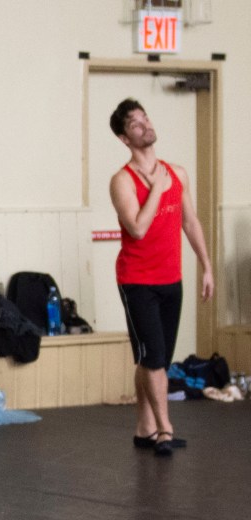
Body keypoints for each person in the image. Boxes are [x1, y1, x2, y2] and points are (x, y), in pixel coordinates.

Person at [108, 98, 214, 457]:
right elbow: (137, 228)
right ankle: (165, 430)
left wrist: (206, 264)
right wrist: (156, 188)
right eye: (135, 124)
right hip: (137, 280)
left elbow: (189, 221)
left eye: (145, 118)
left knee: (156, 359)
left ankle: (144, 429)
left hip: (171, 279)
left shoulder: (178, 173)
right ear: (125, 138)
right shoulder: (121, 181)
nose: (144, 126)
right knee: (153, 357)